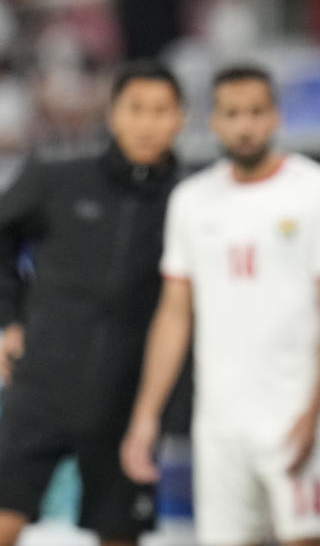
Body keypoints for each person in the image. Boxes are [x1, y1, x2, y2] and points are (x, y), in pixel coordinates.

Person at [120, 64, 320, 546]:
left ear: (275, 117)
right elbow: (174, 314)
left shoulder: (317, 191)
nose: (244, 125)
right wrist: (146, 417)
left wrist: (314, 411)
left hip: (296, 416)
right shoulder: (191, 201)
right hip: (220, 426)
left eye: (255, 112)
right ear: (213, 122)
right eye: (231, 113)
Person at [0, 61, 184, 546]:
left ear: (181, 118)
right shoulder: (58, 177)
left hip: (128, 398)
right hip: (40, 384)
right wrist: (6, 322)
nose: (147, 123)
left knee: (119, 533)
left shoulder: (191, 200)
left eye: (161, 110)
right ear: (113, 114)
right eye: (136, 109)